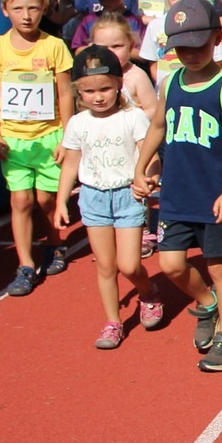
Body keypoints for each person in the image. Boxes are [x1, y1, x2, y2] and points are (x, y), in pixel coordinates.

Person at [133, 0, 222, 372]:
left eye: (198, 46)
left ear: (216, 39)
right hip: (176, 193)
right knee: (171, 264)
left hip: (215, 196)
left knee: (220, 267)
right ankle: (206, 303)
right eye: (182, 48)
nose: (190, 54)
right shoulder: (171, 83)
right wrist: (141, 167)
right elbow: (158, 126)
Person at [0, 0, 75, 297]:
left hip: (49, 136)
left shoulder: (54, 46)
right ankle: (24, 264)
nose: (26, 16)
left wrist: (67, 136)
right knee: (21, 199)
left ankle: (54, 243)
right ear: (5, 9)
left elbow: (65, 93)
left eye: (33, 8)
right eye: (18, 8)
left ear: (44, 8)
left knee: (46, 199)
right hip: (13, 139)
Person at [54, 44, 155, 349]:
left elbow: (149, 155)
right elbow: (71, 163)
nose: (97, 97)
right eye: (89, 91)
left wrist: (149, 177)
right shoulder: (78, 123)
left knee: (129, 265)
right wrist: (61, 201)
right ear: (78, 92)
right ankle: (113, 322)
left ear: (119, 85)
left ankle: (148, 292)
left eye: (104, 89)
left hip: (127, 196)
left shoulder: (133, 117)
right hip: (93, 197)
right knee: (106, 266)